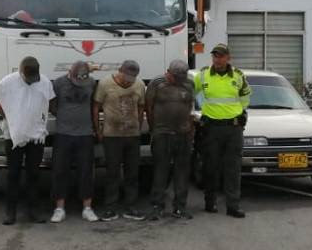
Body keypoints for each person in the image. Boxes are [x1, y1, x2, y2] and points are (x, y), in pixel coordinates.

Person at [0, 57, 54, 225]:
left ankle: (33, 210)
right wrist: (11, 119)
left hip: (36, 135)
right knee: (13, 174)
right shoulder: (7, 82)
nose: (32, 81)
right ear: (21, 72)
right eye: (28, 78)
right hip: (14, 135)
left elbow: (50, 102)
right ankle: (10, 212)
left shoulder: (44, 82)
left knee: (33, 174)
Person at [194, 43, 252, 218]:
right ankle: (209, 202)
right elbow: (190, 93)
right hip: (211, 128)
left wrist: (241, 113)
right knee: (210, 168)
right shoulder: (203, 75)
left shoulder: (238, 76)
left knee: (233, 169)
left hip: (233, 129)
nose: (217, 60)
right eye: (215, 56)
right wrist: (194, 114)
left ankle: (233, 206)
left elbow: (245, 96)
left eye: (220, 56)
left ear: (228, 58)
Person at [94, 60, 147, 221]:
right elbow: (96, 106)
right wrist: (98, 129)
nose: (128, 81)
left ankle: (130, 207)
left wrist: (138, 124)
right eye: (126, 77)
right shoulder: (105, 83)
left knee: (132, 173)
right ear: (120, 71)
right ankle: (110, 207)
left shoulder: (139, 85)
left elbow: (141, 106)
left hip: (132, 135)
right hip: (112, 135)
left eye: (132, 78)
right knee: (112, 173)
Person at [48, 61, 100, 223]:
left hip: (85, 134)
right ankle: (59, 208)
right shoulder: (58, 83)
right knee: (60, 171)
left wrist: (94, 127)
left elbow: (93, 105)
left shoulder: (91, 82)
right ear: (70, 73)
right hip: (64, 133)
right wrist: (64, 116)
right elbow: (52, 104)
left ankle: (87, 208)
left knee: (86, 171)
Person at [145, 60, 196, 220]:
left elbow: (190, 107)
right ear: (168, 72)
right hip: (162, 134)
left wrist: (190, 129)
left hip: (183, 134)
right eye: (176, 77)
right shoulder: (157, 83)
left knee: (182, 172)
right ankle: (157, 207)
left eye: (181, 77)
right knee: (161, 171)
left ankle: (180, 207)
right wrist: (155, 129)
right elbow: (149, 107)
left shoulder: (189, 84)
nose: (178, 81)